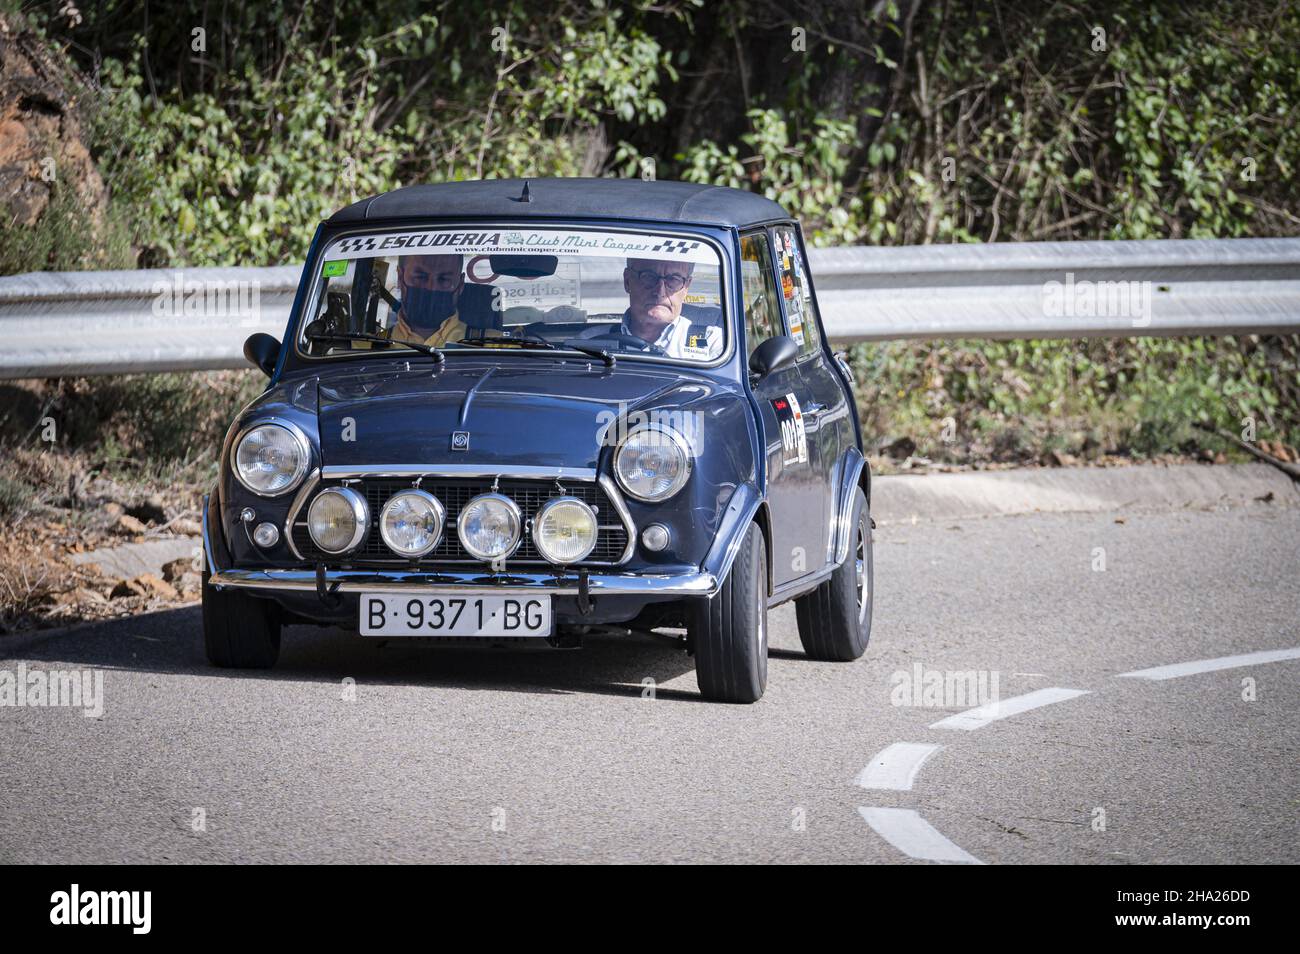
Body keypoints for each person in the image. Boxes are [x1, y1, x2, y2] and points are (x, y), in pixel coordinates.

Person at [574, 257, 722, 360]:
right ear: (627, 281)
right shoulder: (591, 342)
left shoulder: (711, 342)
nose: (660, 292)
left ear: (686, 287)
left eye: (674, 279)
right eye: (649, 276)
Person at [388, 253, 468, 347]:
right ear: (400, 277)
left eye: (444, 279)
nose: (432, 288)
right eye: (420, 277)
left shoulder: (486, 346)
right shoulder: (369, 348)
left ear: (461, 284)